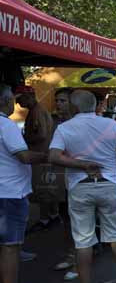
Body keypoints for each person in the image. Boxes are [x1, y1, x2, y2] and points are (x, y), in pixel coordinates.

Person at [48, 90, 116, 283]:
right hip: (109, 183)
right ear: (95, 105)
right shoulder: (110, 124)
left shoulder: (64, 128)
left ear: (74, 106)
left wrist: (82, 164)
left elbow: (53, 156)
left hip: (80, 187)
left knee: (83, 240)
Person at [0, 84, 49, 283]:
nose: (15, 103)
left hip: (5, 191)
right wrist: (48, 156)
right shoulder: (6, 124)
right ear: (4, 100)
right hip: (10, 192)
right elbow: (24, 156)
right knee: (10, 247)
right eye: (12, 98)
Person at [15, 87, 57, 233]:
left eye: (20, 99)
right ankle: (53, 216)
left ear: (29, 96)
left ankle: (45, 220)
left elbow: (42, 134)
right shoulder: (36, 110)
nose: (18, 103)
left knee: (42, 189)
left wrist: (24, 138)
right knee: (48, 188)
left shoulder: (37, 111)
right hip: (43, 155)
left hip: (40, 156)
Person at [51, 88, 78, 281]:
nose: (58, 104)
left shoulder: (78, 124)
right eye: (57, 101)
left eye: (63, 101)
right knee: (66, 219)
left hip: (79, 179)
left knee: (78, 222)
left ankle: (79, 260)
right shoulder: (58, 123)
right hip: (63, 177)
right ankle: (71, 254)